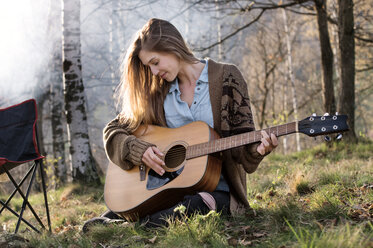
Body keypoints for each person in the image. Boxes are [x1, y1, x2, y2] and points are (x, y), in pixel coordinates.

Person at [83, 18, 278, 231]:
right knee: (119, 215)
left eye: (155, 62)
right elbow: (113, 130)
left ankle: (124, 228)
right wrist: (138, 150)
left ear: (171, 46)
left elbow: (244, 141)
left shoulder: (227, 78)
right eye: (149, 67)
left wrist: (258, 150)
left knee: (190, 208)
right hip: (165, 189)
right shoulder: (157, 93)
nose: (154, 72)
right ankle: (127, 222)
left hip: (216, 191)